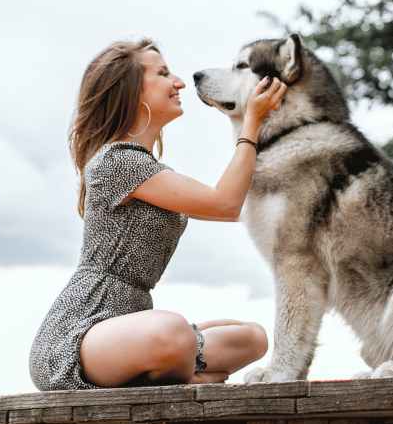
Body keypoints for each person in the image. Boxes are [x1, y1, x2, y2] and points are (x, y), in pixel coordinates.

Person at [28, 38, 287, 390]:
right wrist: (250, 124)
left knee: (253, 338)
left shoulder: (151, 169)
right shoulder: (116, 162)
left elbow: (230, 203)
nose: (179, 82)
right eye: (164, 73)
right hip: (78, 336)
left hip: (134, 327)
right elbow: (225, 204)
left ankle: (177, 369)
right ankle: (183, 372)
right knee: (172, 330)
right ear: (131, 90)